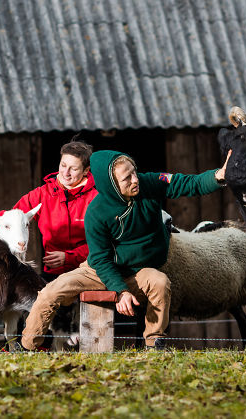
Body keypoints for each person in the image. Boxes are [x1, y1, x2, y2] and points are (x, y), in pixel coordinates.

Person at [19, 148, 231, 350]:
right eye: (127, 178)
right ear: (111, 184)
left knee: (160, 282)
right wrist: (121, 291)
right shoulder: (97, 212)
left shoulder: (149, 183)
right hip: (98, 271)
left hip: (136, 271)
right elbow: (101, 259)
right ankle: (28, 345)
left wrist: (217, 176)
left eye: (134, 173)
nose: (135, 180)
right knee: (49, 292)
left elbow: (186, 183)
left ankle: (154, 343)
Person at [0, 140, 96, 279]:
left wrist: (69, 257)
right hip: (53, 273)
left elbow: (104, 242)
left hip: (88, 270)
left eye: (73, 169)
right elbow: (13, 216)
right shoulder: (42, 194)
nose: (66, 173)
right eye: (63, 165)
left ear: (86, 170)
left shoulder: (96, 199)